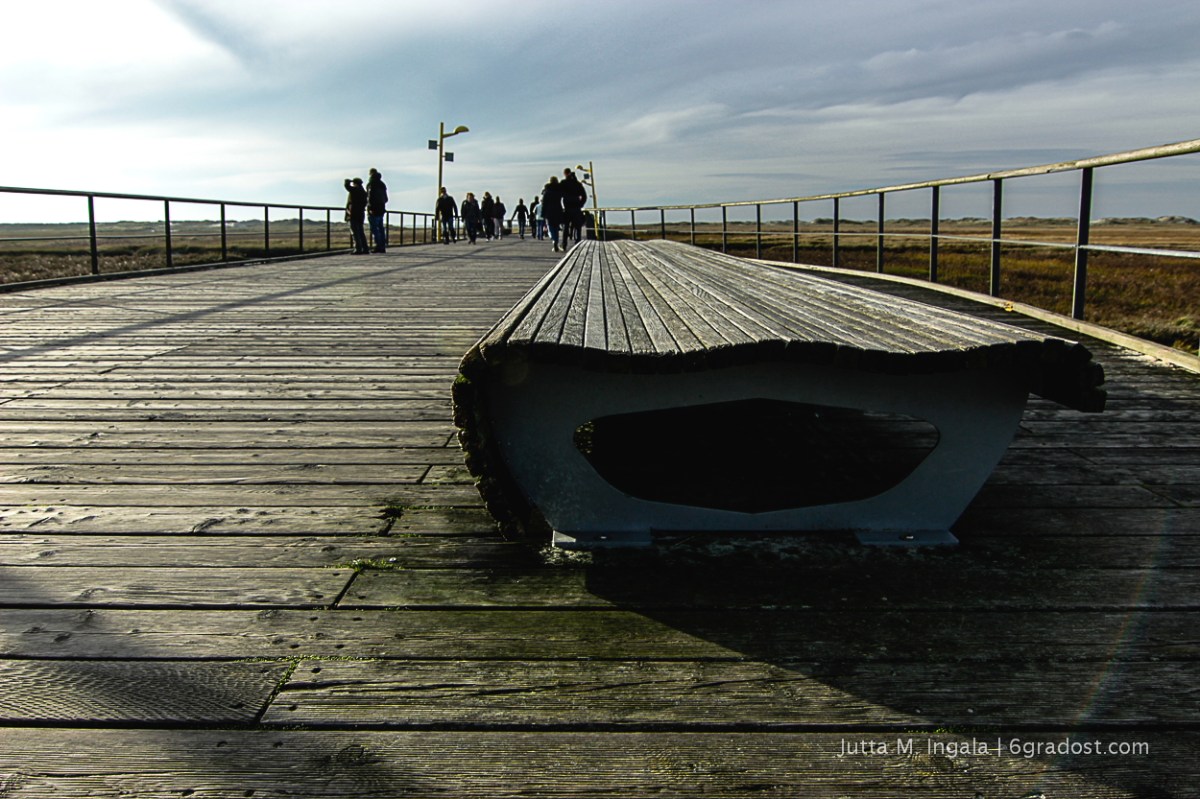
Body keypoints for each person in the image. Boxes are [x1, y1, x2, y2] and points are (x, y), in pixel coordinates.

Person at [561, 167, 588, 246]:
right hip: (576, 207)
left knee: (566, 226)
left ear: (565, 174)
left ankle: (564, 244)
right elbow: (584, 196)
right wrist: (581, 204)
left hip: (567, 207)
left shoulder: (563, 183)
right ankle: (578, 242)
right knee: (578, 226)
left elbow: (559, 194)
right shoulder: (578, 184)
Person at [344, 177, 369, 254]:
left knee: (355, 232)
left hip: (353, 213)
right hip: (360, 214)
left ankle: (358, 249)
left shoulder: (355, 190)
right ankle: (365, 248)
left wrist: (347, 182)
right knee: (361, 232)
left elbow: (347, 187)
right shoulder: (364, 192)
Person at [540, 176, 565, 252]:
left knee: (550, 227)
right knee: (556, 228)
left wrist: (543, 213)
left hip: (549, 212)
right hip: (557, 210)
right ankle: (556, 241)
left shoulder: (547, 191)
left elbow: (544, 203)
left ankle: (554, 240)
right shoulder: (559, 190)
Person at [366, 168, 388, 252]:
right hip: (381, 209)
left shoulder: (371, 184)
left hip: (373, 209)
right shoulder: (382, 184)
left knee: (374, 228)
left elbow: (369, 197)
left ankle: (378, 246)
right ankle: (382, 246)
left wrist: (370, 207)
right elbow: (386, 199)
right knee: (381, 228)